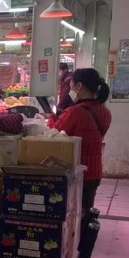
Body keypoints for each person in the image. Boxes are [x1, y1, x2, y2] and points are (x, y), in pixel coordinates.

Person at [49, 68, 112, 211]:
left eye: (71, 86)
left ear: (79, 86)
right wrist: (64, 115)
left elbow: (54, 134)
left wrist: (53, 117)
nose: (70, 90)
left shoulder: (75, 112)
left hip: (76, 171)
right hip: (95, 172)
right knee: (85, 211)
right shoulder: (105, 112)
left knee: (71, 214)